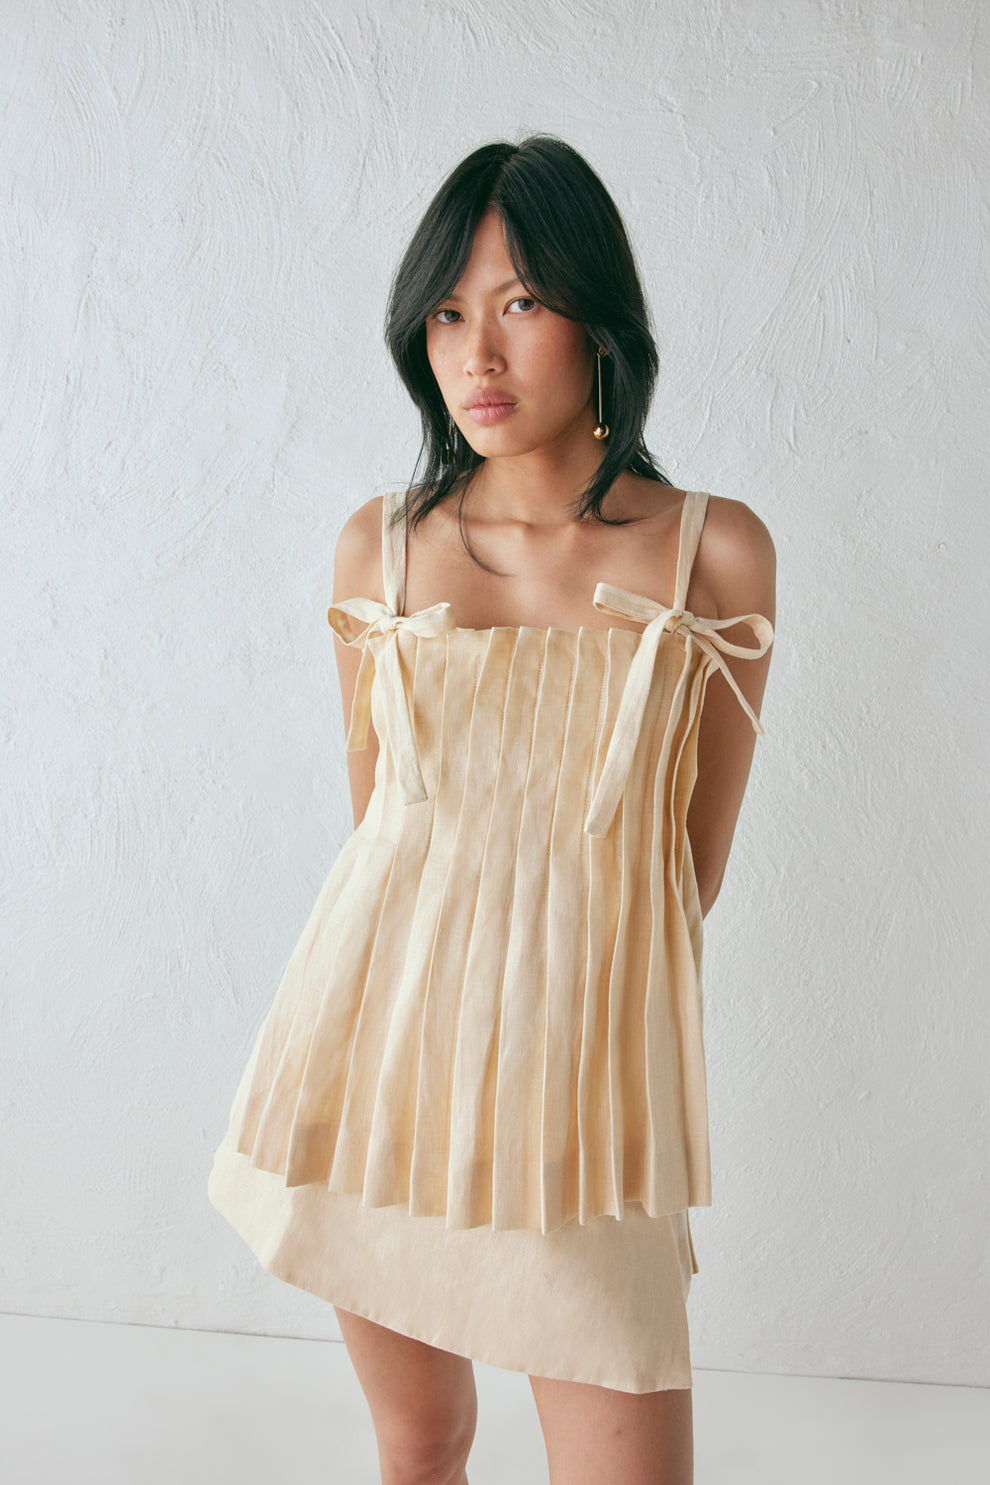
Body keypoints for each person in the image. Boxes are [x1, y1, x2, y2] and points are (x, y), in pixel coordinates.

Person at [208, 133, 775, 1485]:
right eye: (448, 315)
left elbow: (684, 875)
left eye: (519, 302)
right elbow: (384, 836)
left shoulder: (714, 551)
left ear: (597, 315)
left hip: (586, 1106)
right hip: (380, 1074)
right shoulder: (382, 547)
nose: (479, 353)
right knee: (422, 1446)